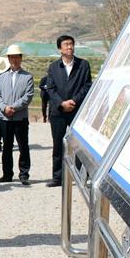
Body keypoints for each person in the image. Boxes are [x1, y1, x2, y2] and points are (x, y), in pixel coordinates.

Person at [45, 35, 93, 187]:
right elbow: (50, 89)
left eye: (71, 44)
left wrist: (74, 101)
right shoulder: (53, 67)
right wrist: (61, 103)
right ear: (60, 49)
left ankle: (81, 175)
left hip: (77, 111)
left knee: (79, 145)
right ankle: (57, 177)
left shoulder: (83, 65)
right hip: (58, 112)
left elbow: (87, 85)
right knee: (58, 144)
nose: (69, 47)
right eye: (66, 44)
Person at [0, 45, 34, 185]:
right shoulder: (2, 77)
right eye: (12, 57)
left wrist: (14, 107)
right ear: (8, 59)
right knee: (6, 147)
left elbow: (28, 96)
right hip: (5, 117)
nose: (14, 60)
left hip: (20, 117)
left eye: (17, 57)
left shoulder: (27, 77)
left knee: (23, 146)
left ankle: (24, 174)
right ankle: (7, 174)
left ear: (21, 58)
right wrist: (4, 108)